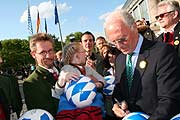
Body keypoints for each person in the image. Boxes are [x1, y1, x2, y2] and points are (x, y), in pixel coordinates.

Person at [104, 9, 180, 120]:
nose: (119, 46)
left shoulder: (162, 52)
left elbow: (170, 99)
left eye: (122, 40)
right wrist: (117, 104)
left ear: (134, 27)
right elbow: (118, 89)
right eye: (113, 42)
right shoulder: (119, 59)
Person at [55, 42, 105, 120]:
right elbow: (58, 91)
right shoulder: (67, 69)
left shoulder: (88, 68)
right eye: (83, 52)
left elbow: (102, 79)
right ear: (77, 56)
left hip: (91, 108)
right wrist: (62, 78)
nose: (86, 54)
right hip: (74, 112)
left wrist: (98, 84)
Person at [23, 33, 60, 117]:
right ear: (33, 54)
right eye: (43, 52)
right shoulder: (31, 83)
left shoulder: (64, 72)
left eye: (50, 50)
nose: (48, 55)